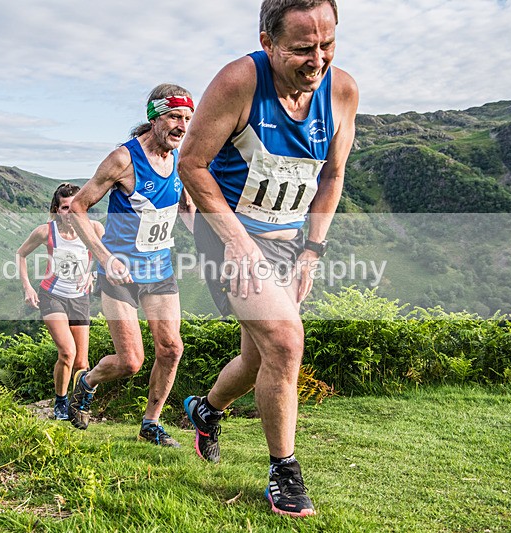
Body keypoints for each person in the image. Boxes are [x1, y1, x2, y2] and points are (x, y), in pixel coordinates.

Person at [177, 0, 358, 517]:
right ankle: (284, 471)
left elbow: (333, 174)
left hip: (287, 239)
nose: (317, 60)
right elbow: (192, 163)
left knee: (260, 357)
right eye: (302, 49)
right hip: (227, 232)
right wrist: (236, 241)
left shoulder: (342, 92)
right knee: (285, 339)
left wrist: (312, 250)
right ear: (267, 42)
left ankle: (206, 410)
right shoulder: (239, 82)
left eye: (327, 45)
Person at [67, 83, 195, 446]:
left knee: (171, 349)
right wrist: (104, 257)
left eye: (187, 118)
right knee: (130, 362)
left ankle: (150, 424)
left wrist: (217, 242)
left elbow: (186, 208)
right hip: (119, 273)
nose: (181, 126)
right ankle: (87, 382)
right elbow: (77, 206)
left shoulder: (181, 159)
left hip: (159, 270)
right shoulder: (123, 159)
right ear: (154, 117)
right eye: (174, 117)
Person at [16, 183, 105, 420]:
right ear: (57, 210)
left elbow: (106, 254)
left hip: (80, 298)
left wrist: (92, 273)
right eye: (65, 208)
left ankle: (79, 407)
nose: (70, 213)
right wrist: (27, 287)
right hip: (52, 295)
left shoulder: (95, 228)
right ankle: (60, 403)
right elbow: (21, 254)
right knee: (67, 352)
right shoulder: (46, 232)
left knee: (82, 362)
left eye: (74, 207)